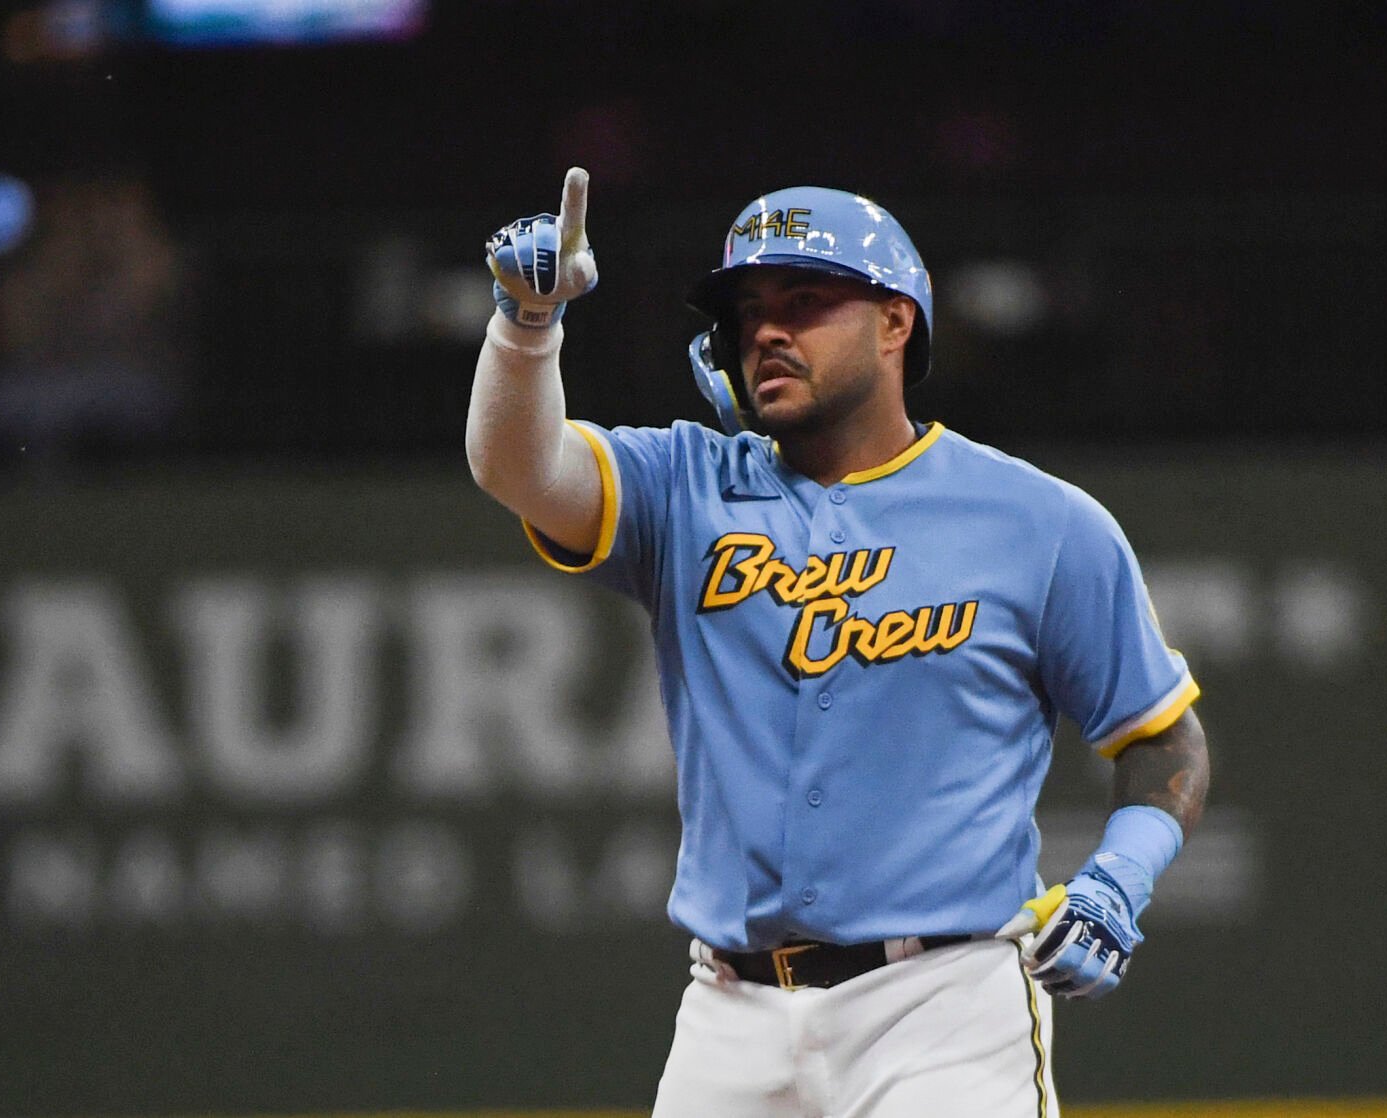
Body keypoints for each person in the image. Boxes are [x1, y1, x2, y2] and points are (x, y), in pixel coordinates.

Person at [467, 168, 1210, 1116]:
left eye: (806, 300)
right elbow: (518, 468)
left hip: (942, 1007)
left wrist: (1118, 880)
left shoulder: (1039, 522)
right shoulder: (687, 486)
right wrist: (526, 327)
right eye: (749, 310)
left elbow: (1165, 740)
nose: (766, 331)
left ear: (897, 322)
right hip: (727, 1010)